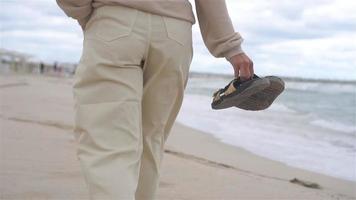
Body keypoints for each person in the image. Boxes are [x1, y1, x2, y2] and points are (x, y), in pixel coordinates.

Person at [56, 0, 254, 199]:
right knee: (151, 141)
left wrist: (82, 12)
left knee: (110, 146)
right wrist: (231, 47)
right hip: (174, 34)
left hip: (115, 21)